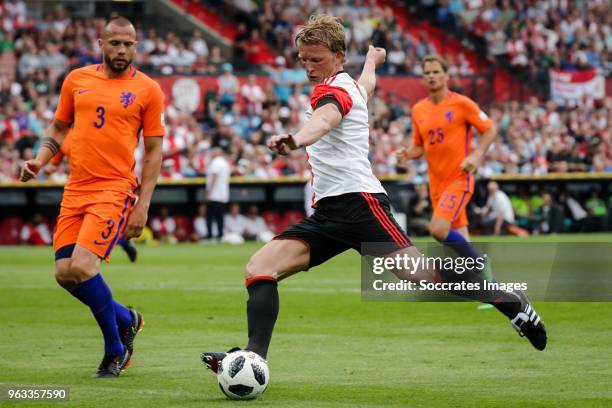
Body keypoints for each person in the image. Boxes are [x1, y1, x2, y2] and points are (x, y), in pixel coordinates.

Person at [201, 14, 546, 379]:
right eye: (303, 59)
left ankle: (509, 301)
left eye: (315, 59)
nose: (308, 67)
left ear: (337, 56)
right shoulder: (351, 84)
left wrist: (297, 139)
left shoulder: (332, 92)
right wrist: (371, 61)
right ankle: (254, 358)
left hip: (361, 204)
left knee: (420, 276)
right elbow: (366, 86)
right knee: (259, 270)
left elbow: (325, 121)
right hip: (329, 213)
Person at [20, 16, 164, 377]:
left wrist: (142, 206)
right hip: (76, 189)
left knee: (83, 267)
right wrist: (39, 160)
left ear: (136, 45)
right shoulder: (76, 79)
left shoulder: (148, 90)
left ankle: (116, 349)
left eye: (128, 44)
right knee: (64, 275)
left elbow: (153, 152)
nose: (121, 50)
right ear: (101, 43)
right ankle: (126, 318)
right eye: (115, 43)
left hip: (114, 190)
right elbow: (58, 126)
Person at [396, 55, 497, 284]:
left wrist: (476, 154)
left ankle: (480, 263)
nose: (431, 76)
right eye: (427, 73)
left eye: (435, 72)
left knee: (438, 230)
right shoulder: (418, 110)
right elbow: (419, 145)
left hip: (459, 179)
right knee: (461, 235)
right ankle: (489, 287)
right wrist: (407, 154)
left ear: (446, 76)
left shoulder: (462, 103)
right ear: (423, 78)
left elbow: (489, 129)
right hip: (436, 184)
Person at [46, 131, 138, 262]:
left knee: (91, 235)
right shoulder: (64, 137)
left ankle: (121, 240)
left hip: (101, 188)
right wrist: (47, 168)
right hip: (76, 188)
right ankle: (122, 240)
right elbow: (54, 163)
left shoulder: (95, 130)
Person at [206, 147, 231, 241]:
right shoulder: (225, 162)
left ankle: (209, 236)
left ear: (218, 153)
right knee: (220, 217)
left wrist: (209, 192)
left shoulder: (216, 162)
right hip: (223, 195)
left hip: (214, 195)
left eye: (213, 151)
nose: (212, 153)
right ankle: (220, 235)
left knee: (210, 217)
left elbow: (214, 176)